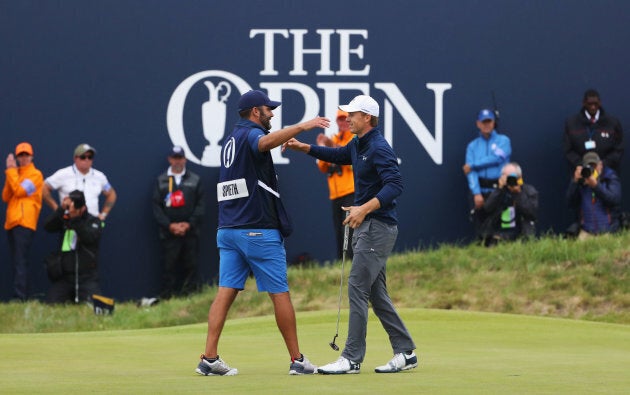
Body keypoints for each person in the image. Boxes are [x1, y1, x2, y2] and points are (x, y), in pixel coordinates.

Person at [195, 89, 330, 376]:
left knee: (224, 293)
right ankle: (297, 360)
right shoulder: (251, 135)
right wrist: (303, 126)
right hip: (256, 229)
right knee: (280, 294)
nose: (272, 112)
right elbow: (265, 142)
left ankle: (209, 358)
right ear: (256, 111)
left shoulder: (232, 138)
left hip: (228, 230)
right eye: (269, 109)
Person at [283, 94, 417, 375]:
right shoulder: (357, 144)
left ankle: (352, 358)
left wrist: (363, 209)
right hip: (368, 226)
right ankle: (405, 351)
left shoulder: (379, 147)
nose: (347, 118)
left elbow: (396, 185)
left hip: (377, 226)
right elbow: (338, 156)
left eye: (352, 114)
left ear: (367, 117)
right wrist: (303, 147)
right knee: (376, 294)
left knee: (356, 286)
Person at [152, 145, 204, 299]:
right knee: (169, 267)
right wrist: (170, 225)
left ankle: (191, 299)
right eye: (174, 158)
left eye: (180, 158)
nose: (177, 161)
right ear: (170, 159)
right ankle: (168, 299)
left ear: (185, 159)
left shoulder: (195, 180)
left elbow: (200, 206)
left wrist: (188, 224)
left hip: (190, 232)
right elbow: (156, 207)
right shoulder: (161, 180)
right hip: (169, 233)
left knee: (191, 266)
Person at [44, 190, 103, 304]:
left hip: (87, 278)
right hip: (65, 277)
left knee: (93, 305)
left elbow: (89, 237)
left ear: (84, 207)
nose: (72, 209)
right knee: (52, 305)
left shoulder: (93, 221)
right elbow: (48, 226)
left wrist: (75, 219)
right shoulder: (65, 218)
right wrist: (61, 210)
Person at [462, 109, 512, 242]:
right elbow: (469, 172)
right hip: (481, 192)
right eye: (483, 122)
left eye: (489, 121)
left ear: (494, 123)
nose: (486, 125)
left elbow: (497, 158)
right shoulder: (472, 146)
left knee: (502, 233)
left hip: (500, 190)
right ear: (478, 124)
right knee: (483, 234)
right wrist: (476, 193)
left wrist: (473, 164)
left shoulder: (504, 141)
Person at [2, 142, 44, 301]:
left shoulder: (36, 175)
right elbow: (6, 196)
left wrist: (11, 172)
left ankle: (20, 296)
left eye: (26, 155)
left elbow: (20, 191)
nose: (23, 158)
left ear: (32, 156)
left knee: (21, 260)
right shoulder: (15, 173)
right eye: (20, 155)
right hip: (12, 222)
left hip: (25, 222)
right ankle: (21, 294)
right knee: (17, 261)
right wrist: (11, 173)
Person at [315, 109, 355, 260]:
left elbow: (346, 155)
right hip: (335, 194)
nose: (343, 122)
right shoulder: (334, 138)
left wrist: (329, 145)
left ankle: (352, 261)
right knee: (338, 230)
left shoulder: (354, 139)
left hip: (351, 191)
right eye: (340, 119)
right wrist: (322, 148)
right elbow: (322, 167)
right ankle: (341, 262)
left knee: (350, 229)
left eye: (346, 119)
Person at [43, 143, 117, 221]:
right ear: (75, 158)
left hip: (91, 224)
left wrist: (103, 214)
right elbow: (44, 188)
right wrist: (57, 209)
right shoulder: (63, 174)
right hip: (70, 222)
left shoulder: (99, 176)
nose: (87, 160)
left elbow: (111, 194)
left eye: (90, 157)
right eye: (83, 157)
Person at [563, 89, 623, 174]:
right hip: (581, 173)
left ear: (600, 102)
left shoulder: (613, 123)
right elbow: (568, 150)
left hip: (607, 173)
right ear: (583, 103)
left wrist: (603, 164)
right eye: (589, 104)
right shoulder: (571, 123)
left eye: (595, 104)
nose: (593, 107)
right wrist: (582, 165)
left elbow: (619, 149)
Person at [566, 152, 621, 240]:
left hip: (608, 231)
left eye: (594, 166)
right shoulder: (581, 181)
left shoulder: (609, 178)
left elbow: (614, 200)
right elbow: (570, 203)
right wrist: (575, 182)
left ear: (600, 165)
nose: (592, 170)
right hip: (586, 231)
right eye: (589, 167)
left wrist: (596, 186)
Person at [481, 162, 538, 246]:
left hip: (521, 233)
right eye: (505, 176)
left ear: (519, 178)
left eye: (511, 177)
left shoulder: (528, 191)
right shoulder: (499, 191)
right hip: (499, 233)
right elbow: (487, 208)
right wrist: (499, 190)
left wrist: (518, 193)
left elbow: (531, 213)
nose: (509, 180)